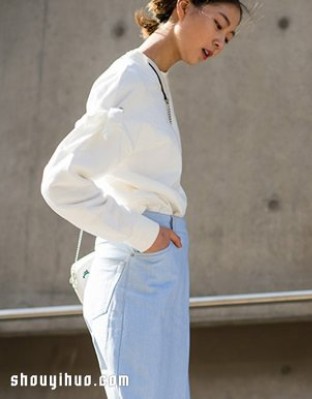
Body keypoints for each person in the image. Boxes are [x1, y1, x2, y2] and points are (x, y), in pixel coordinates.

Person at [40, 0, 246, 397]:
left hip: (158, 259)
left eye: (229, 37)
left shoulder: (154, 80)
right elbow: (60, 182)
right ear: (184, 8)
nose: (220, 42)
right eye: (218, 25)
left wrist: (155, 243)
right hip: (139, 260)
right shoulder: (131, 78)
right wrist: (144, 235)